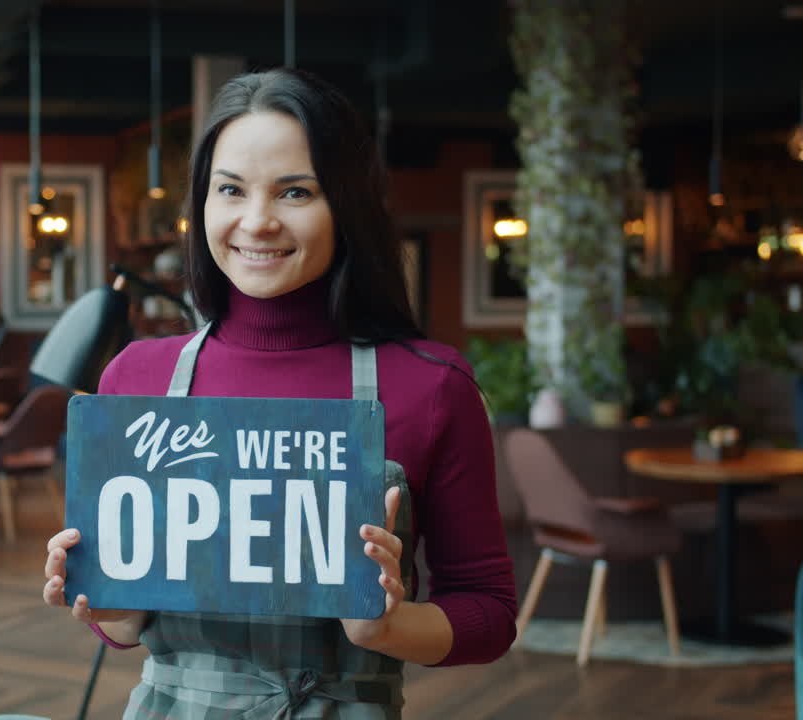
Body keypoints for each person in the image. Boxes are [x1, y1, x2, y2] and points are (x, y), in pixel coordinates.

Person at [42, 69, 516, 717]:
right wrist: (111, 606)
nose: (257, 221)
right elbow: (124, 628)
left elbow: (488, 611)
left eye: (295, 191)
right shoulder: (136, 377)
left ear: (345, 204)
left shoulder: (433, 385)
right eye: (230, 190)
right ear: (202, 205)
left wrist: (386, 627)